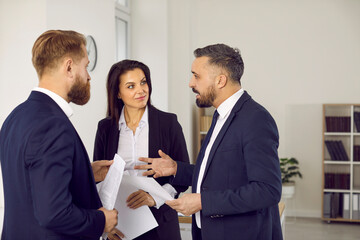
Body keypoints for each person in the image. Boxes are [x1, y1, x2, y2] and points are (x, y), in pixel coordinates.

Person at [135, 44, 283, 240]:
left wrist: (203, 201)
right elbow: (221, 175)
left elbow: (268, 190)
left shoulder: (256, 119)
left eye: (196, 76)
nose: (190, 83)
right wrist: (176, 169)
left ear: (220, 80)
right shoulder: (220, 115)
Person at [0, 30, 123, 240]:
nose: (89, 75)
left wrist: (83, 173)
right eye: (85, 66)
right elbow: (54, 214)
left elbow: (31, 186)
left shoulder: (14, 117)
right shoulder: (53, 125)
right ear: (68, 67)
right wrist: (102, 221)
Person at [93, 60, 190, 240]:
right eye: (131, 86)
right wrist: (106, 226)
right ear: (118, 93)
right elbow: (99, 182)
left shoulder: (168, 123)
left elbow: (183, 176)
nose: (141, 90)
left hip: (161, 224)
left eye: (143, 82)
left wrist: (154, 197)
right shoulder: (105, 128)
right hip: (120, 228)